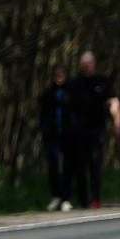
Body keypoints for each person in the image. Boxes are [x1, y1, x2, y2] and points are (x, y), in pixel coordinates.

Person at [71, 50, 120, 209]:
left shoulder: (102, 82)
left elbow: (114, 102)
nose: (87, 67)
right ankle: (82, 198)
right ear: (80, 66)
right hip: (78, 131)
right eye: (84, 65)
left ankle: (95, 197)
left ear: (94, 64)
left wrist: (118, 123)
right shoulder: (74, 83)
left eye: (90, 64)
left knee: (95, 162)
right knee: (80, 165)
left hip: (97, 129)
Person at [39, 64, 79, 211]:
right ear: (53, 76)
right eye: (57, 73)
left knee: (68, 166)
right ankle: (56, 196)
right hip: (53, 135)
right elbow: (43, 115)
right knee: (53, 165)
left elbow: (77, 112)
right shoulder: (48, 93)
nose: (60, 76)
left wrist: (75, 129)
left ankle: (66, 198)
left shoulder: (71, 92)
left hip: (69, 134)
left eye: (62, 73)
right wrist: (45, 131)